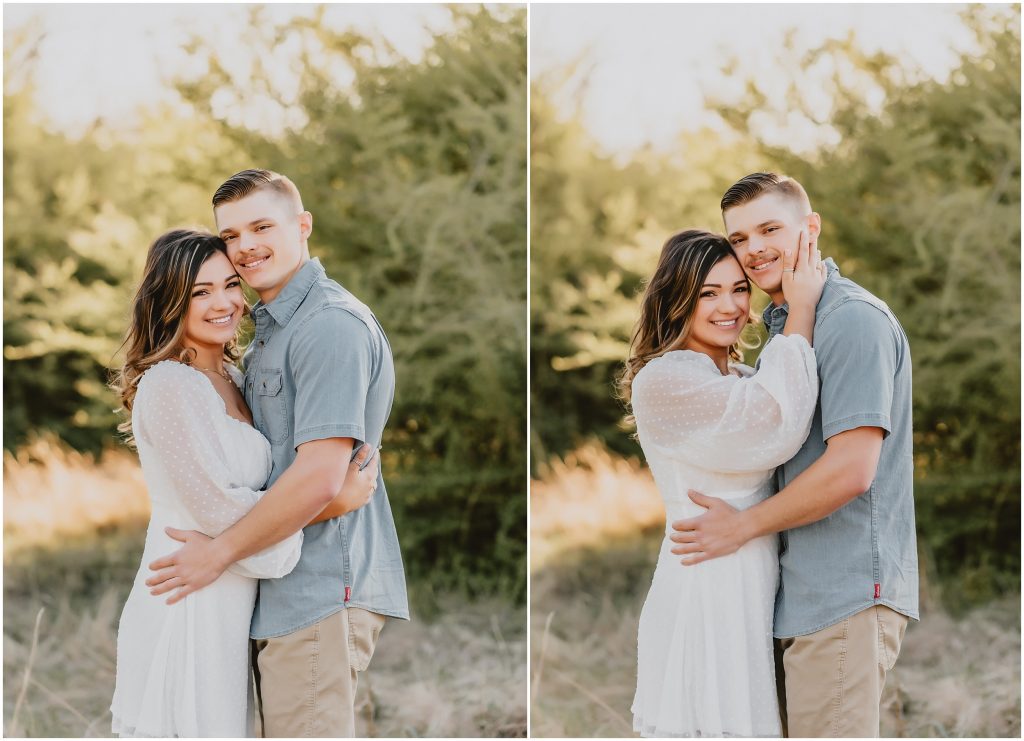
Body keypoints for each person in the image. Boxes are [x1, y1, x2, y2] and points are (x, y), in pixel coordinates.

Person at [144, 170, 410, 738]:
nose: (245, 247)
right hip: (271, 592)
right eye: (232, 234)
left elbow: (319, 479)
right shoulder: (266, 335)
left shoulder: (327, 327)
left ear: (303, 225)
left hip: (316, 590)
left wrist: (217, 554)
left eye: (262, 226)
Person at [671, 173, 919, 737]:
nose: (753, 248)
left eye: (769, 229)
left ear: (811, 229)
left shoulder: (852, 321)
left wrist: (741, 527)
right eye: (738, 238)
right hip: (797, 596)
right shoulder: (789, 327)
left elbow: (852, 469)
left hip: (846, 593)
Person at [622, 228, 826, 737]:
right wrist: (801, 311)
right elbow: (777, 421)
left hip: (752, 586)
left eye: (738, 289)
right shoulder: (666, 381)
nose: (729, 306)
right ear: (677, 301)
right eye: (708, 293)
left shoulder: (733, 377)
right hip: (706, 587)